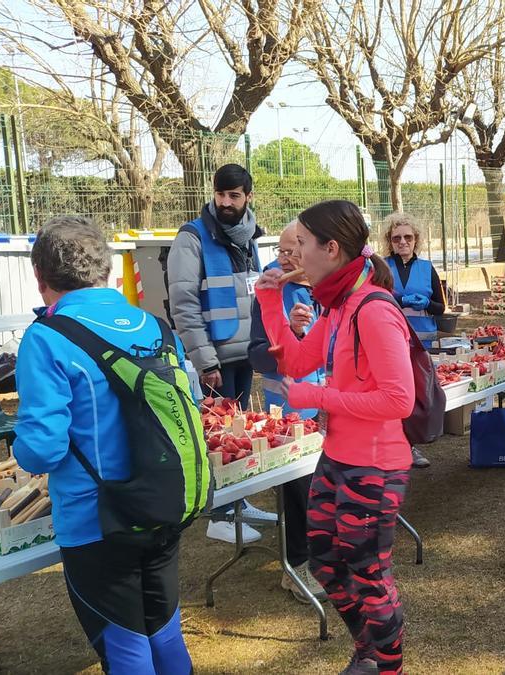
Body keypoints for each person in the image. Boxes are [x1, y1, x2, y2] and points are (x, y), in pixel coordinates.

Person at [13, 216, 193, 674]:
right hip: (162, 500)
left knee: (125, 644)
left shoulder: (46, 337)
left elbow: (42, 451)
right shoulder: (155, 326)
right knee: (164, 629)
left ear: (40, 278)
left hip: (96, 519)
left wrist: (20, 450)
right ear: (108, 271)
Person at [255, 199, 415, 675]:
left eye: (302, 243)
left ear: (332, 247)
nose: (293, 254)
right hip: (338, 456)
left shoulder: (371, 308)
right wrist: (268, 299)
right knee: (324, 560)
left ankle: (388, 666)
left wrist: (320, 398)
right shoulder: (339, 303)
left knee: (368, 572)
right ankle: (369, 651)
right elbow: (296, 361)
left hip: (375, 465)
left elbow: (398, 401)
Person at [168, 163, 272, 543]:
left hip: (245, 351)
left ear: (248, 197)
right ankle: (219, 514)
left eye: (234, 195)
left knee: (241, 432)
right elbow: (183, 303)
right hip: (215, 356)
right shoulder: (192, 238)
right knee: (217, 434)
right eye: (220, 195)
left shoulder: (248, 238)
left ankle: (240, 503)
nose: (226, 202)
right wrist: (204, 359)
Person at [247, 221, 328, 605]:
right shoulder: (269, 288)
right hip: (287, 407)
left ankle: (317, 558)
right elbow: (257, 353)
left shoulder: (318, 286)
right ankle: (297, 566)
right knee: (298, 489)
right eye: (281, 251)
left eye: (294, 250)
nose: (286, 259)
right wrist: (291, 336)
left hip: (324, 401)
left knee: (319, 487)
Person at [382, 212, 446, 469]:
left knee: (418, 395)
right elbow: (374, 298)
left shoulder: (427, 267)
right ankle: (402, 445)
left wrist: (427, 304)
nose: (403, 242)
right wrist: (400, 301)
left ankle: (413, 442)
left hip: (421, 343)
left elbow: (441, 307)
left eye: (408, 237)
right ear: (390, 241)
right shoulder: (381, 266)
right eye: (397, 238)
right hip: (392, 343)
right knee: (396, 395)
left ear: (416, 239)